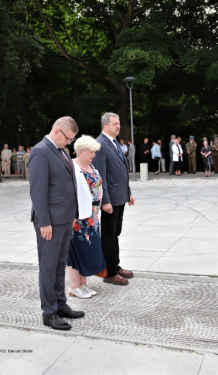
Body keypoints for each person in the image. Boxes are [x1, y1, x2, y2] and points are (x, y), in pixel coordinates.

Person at [28, 116, 85, 331]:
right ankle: (49, 312)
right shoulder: (41, 151)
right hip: (50, 222)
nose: (69, 143)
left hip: (64, 219)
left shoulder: (60, 150)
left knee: (60, 264)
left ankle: (61, 304)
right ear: (57, 131)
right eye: (69, 139)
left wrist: (72, 214)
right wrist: (44, 222)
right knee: (48, 267)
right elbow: (37, 191)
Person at [93, 112, 135, 286]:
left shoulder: (114, 142)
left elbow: (121, 171)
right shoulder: (100, 144)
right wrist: (105, 201)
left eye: (119, 123)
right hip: (110, 200)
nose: (118, 126)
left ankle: (115, 265)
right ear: (105, 126)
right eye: (115, 124)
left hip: (120, 197)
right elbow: (100, 176)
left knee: (115, 233)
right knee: (108, 236)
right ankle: (109, 272)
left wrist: (128, 193)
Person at [67, 135, 106, 299]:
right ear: (80, 151)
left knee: (87, 249)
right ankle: (74, 286)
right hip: (79, 217)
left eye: (94, 152)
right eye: (91, 152)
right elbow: (69, 193)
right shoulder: (72, 167)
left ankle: (83, 285)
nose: (93, 155)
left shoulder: (91, 166)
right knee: (76, 250)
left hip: (92, 216)